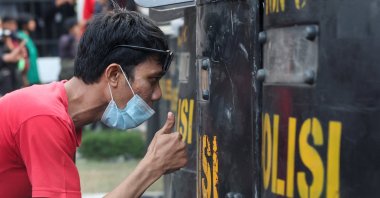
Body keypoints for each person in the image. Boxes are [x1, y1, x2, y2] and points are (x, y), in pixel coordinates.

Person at [0, 8, 186, 198]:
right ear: (114, 75)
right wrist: (152, 167)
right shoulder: (45, 118)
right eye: (152, 80)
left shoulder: (60, 113)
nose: (157, 94)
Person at [17, 13, 41, 85]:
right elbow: (21, 58)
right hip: (27, 79)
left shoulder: (27, 37)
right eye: (31, 21)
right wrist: (23, 76)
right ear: (24, 24)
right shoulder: (20, 37)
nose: (34, 23)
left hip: (34, 77)